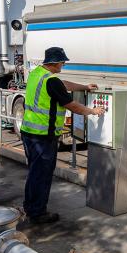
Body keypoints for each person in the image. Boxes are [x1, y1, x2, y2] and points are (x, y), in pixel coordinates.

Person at [21, 47, 105, 224]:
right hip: (43, 136)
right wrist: (92, 111)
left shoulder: (38, 74)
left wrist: (84, 87)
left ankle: (30, 207)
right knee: (42, 174)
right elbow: (72, 106)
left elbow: (63, 84)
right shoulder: (51, 81)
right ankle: (37, 213)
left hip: (29, 133)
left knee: (34, 173)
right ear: (54, 63)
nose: (63, 65)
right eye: (62, 62)